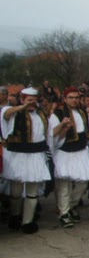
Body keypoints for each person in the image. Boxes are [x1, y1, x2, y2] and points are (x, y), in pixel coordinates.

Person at [1, 88, 52, 233]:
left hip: (36, 154)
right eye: (28, 100)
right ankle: (15, 215)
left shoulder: (41, 114)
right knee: (16, 190)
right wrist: (22, 107)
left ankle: (27, 222)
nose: (32, 103)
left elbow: (46, 134)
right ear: (22, 99)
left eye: (34, 100)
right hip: (18, 154)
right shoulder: (12, 111)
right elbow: (5, 115)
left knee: (32, 191)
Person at [48, 86, 89, 227]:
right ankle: (64, 213)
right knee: (64, 185)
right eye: (71, 97)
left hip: (80, 151)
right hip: (64, 151)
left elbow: (88, 130)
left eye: (76, 97)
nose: (74, 100)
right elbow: (52, 134)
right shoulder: (57, 114)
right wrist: (63, 126)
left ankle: (72, 205)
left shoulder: (82, 111)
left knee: (83, 182)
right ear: (64, 99)